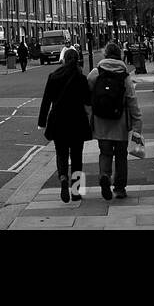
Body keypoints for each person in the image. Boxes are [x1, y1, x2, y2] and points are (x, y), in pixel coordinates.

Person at [86, 42, 142, 200]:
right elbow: (132, 101)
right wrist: (137, 124)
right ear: (120, 55)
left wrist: (88, 116)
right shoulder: (125, 76)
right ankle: (119, 189)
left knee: (105, 153)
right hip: (121, 125)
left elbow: (86, 97)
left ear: (105, 55)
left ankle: (104, 175)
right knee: (121, 156)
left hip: (101, 122)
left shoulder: (95, 73)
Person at [38, 47, 93, 203]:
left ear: (63, 59)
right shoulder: (81, 78)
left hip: (58, 122)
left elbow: (46, 101)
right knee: (77, 157)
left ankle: (63, 177)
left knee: (61, 154)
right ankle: (76, 192)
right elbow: (88, 101)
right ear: (77, 60)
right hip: (77, 121)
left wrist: (42, 122)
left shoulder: (53, 76)